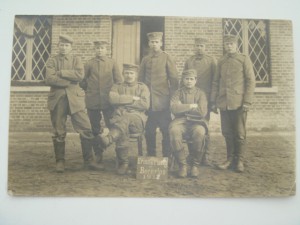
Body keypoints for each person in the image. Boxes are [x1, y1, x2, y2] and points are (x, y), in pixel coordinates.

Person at [45, 34, 103, 172]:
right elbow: (49, 79)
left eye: (67, 45)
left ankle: (89, 160)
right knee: (59, 130)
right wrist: (68, 81)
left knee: (86, 127)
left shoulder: (76, 59)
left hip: (76, 99)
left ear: (71, 47)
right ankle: (60, 162)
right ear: (58, 46)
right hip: (58, 99)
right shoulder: (52, 60)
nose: (64, 48)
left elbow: (79, 76)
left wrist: (61, 73)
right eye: (61, 45)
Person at [210, 35, 255, 172]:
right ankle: (230, 159)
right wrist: (213, 101)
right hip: (224, 103)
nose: (228, 46)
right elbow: (216, 82)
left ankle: (239, 161)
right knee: (227, 133)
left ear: (236, 45)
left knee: (240, 133)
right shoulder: (221, 61)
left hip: (239, 103)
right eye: (226, 44)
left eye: (231, 44)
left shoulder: (243, 59)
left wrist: (247, 101)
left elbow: (250, 81)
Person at [99, 63, 150, 175]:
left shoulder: (142, 87)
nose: (129, 75)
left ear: (136, 75)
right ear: (122, 74)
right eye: (126, 73)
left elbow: (145, 105)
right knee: (123, 125)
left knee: (123, 119)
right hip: (121, 120)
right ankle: (124, 162)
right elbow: (113, 100)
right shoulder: (116, 86)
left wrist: (122, 103)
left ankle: (120, 157)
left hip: (137, 120)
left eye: (131, 73)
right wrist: (132, 99)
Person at [80, 40, 123, 169]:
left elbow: (119, 81)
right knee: (94, 128)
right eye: (97, 48)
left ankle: (119, 155)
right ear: (95, 49)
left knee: (113, 125)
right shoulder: (89, 63)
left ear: (106, 50)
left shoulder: (112, 63)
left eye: (102, 48)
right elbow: (82, 80)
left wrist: (112, 93)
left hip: (108, 101)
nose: (100, 50)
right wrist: (90, 89)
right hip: (92, 100)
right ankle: (98, 153)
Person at [139, 32, 179, 158]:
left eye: (156, 42)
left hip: (163, 102)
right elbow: (140, 80)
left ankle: (167, 156)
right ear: (149, 44)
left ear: (161, 43)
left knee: (165, 130)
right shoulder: (145, 59)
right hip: (149, 103)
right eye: (152, 42)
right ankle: (151, 156)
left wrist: (172, 99)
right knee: (149, 131)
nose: (154, 44)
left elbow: (174, 80)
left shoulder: (166, 57)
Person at [183, 37, 217, 166]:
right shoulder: (189, 60)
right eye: (197, 45)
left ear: (205, 47)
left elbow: (215, 81)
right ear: (194, 46)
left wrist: (212, 100)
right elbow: (184, 79)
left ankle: (205, 156)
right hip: (191, 98)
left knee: (204, 126)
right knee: (191, 124)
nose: (199, 48)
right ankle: (193, 154)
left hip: (205, 99)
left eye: (201, 46)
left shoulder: (211, 60)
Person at [169, 69, 208, 178]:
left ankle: (195, 165)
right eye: (187, 79)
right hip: (180, 122)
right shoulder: (178, 93)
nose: (189, 81)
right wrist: (191, 106)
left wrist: (182, 107)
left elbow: (202, 112)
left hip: (197, 122)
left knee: (200, 132)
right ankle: (183, 165)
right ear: (183, 80)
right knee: (174, 131)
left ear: (195, 80)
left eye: (191, 79)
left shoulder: (201, 94)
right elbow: (174, 108)